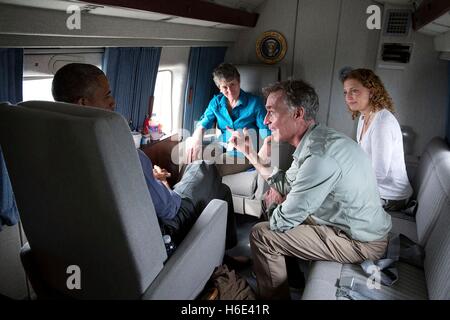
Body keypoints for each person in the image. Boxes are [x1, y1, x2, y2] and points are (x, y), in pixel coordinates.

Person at [227, 80, 392, 299]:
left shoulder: (319, 156)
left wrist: (280, 202)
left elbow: (280, 222)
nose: (266, 121)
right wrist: (250, 153)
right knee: (277, 201)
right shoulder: (314, 139)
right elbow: (286, 184)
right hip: (346, 224)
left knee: (261, 235)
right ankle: (291, 278)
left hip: (360, 242)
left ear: (298, 114)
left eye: (271, 113)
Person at [51, 63, 237, 249]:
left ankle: (224, 254)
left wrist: (150, 180)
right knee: (203, 166)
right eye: (107, 95)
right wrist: (163, 187)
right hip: (164, 230)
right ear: (83, 103)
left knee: (222, 190)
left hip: (102, 241)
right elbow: (169, 209)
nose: (113, 102)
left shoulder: (56, 149)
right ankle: (225, 256)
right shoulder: (119, 150)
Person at [341, 68, 413, 211]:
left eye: (354, 91)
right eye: (345, 92)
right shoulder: (363, 117)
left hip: (391, 196)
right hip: (375, 188)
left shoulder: (382, 123)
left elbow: (379, 173)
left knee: (335, 203)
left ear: (372, 91)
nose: (348, 97)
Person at [185, 63, 270, 176]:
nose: (229, 90)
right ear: (219, 88)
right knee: (190, 156)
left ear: (239, 82)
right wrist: (196, 138)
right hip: (222, 145)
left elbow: (267, 131)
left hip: (244, 151)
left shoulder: (255, 102)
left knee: (214, 167)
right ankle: (179, 193)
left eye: (232, 84)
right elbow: (204, 123)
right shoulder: (216, 102)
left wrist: (266, 146)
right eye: (225, 87)